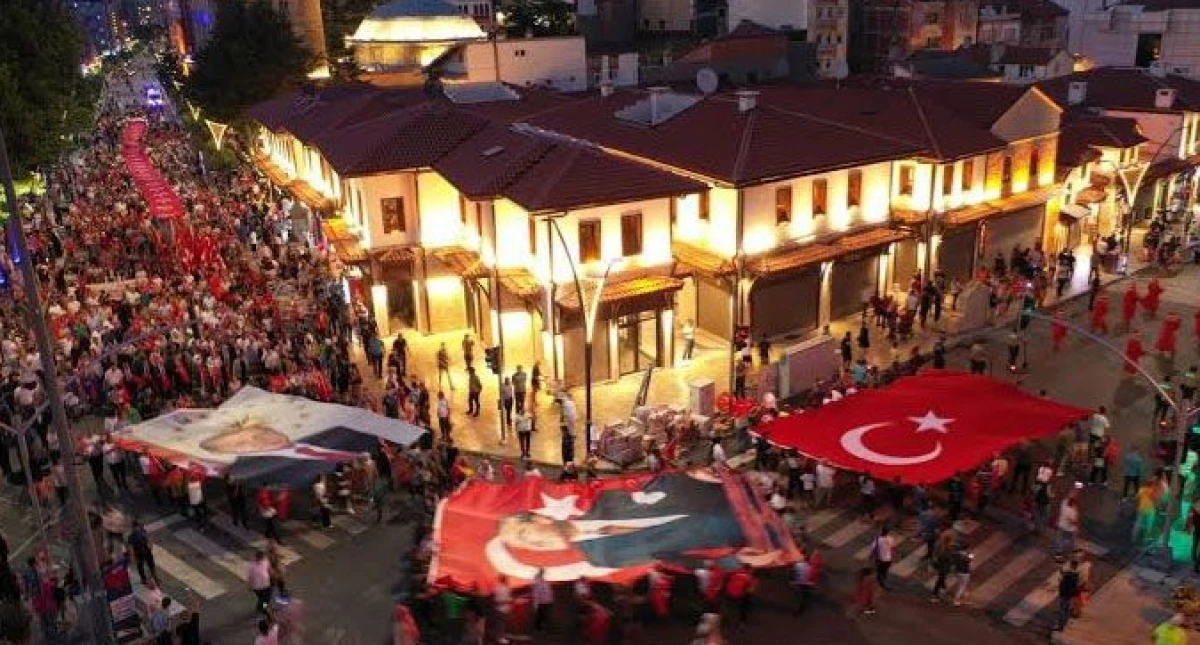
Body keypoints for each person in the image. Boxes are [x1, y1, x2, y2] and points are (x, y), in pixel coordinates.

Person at [1054, 559, 1081, 632]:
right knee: (1066, 610)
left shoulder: (1069, 574)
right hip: (1070, 594)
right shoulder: (1076, 574)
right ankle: (1064, 624)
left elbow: (1063, 574)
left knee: (1062, 610)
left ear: (1072, 565)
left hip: (1064, 594)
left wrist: (1060, 566)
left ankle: (1061, 626)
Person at [126, 519, 157, 585]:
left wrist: (150, 546)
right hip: (140, 552)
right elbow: (131, 547)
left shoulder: (142, 532)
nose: (139, 527)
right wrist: (132, 556)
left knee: (149, 565)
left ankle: (152, 577)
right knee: (142, 567)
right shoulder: (132, 536)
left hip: (145, 551)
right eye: (139, 526)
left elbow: (149, 539)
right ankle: (145, 579)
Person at [248, 550, 273, 615]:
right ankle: (263, 608)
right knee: (263, 599)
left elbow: (269, 569)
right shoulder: (252, 565)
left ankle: (261, 607)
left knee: (266, 598)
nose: (261, 559)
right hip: (257, 587)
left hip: (266, 584)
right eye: (260, 558)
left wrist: (272, 576)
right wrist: (250, 585)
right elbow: (250, 576)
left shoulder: (266, 561)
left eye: (262, 558)